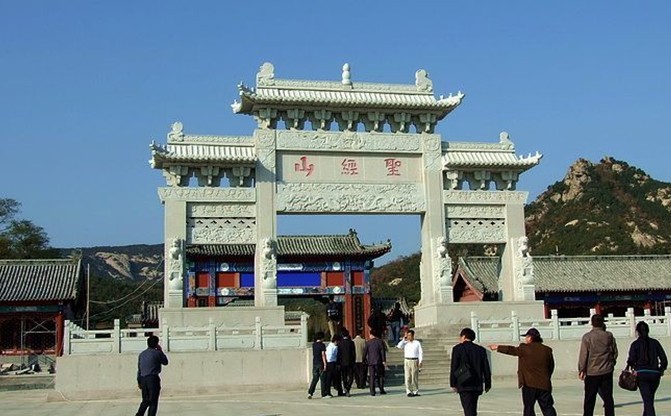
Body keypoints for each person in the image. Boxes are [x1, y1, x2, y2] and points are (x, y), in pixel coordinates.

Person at [489, 328, 557, 416]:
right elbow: (551, 366)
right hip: (544, 384)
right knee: (547, 408)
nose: (525, 339)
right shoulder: (547, 350)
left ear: (530, 338)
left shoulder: (524, 348)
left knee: (529, 408)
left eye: (526, 337)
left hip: (529, 384)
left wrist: (497, 347)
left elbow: (512, 350)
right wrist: (546, 377)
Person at [577, 314, 617, 416]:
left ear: (592, 323)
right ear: (602, 322)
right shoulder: (608, 336)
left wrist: (581, 369)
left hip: (592, 372)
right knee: (608, 398)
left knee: (589, 399)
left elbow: (583, 355)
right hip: (607, 371)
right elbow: (614, 352)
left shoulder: (587, 337)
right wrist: (611, 363)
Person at [627, 321, 668, 416]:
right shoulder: (655, 343)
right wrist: (661, 369)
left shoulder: (635, 344)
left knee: (648, 401)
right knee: (649, 400)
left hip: (642, 374)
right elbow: (664, 359)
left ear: (637, 332)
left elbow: (631, 360)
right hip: (655, 374)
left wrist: (632, 368)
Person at [450, 327, 491, 416]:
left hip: (464, 383)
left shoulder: (457, 349)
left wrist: (453, 383)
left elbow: (454, 366)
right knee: (472, 408)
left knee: (468, 410)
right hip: (477, 384)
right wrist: (488, 384)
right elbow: (486, 368)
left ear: (464, 336)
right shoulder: (480, 350)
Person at [135, 335, 168, 416]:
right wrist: (160, 351)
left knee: (145, 400)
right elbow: (165, 362)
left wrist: (139, 381)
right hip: (152, 379)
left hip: (143, 379)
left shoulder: (142, 354)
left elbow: (139, 369)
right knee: (153, 402)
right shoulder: (157, 353)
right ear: (156, 344)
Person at [396, 329, 423, 397]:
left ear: (413, 336)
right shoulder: (405, 343)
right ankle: (408, 391)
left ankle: (415, 391)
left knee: (414, 377)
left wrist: (420, 361)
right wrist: (404, 339)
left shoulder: (417, 343)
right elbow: (399, 346)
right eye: (408, 335)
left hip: (414, 360)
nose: (408, 337)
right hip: (407, 360)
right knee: (407, 377)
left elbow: (420, 352)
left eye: (410, 335)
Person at [364, 329, 387, 396]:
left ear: (371, 334)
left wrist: (364, 359)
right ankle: (381, 389)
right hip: (379, 361)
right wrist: (384, 360)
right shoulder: (380, 341)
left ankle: (372, 391)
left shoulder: (368, 342)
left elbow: (365, 352)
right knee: (380, 376)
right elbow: (382, 352)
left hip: (371, 362)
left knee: (372, 377)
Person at [307, 331, 327, 399]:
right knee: (322, 379)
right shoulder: (322, 345)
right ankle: (323, 394)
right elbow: (323, 355)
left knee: (315, 379)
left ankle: (310, 392)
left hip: (315, 363)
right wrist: (325, 364)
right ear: (321, 338)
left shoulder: (314, 345)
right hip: (321, 363)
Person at [339, 328, 356, 396]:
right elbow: (353, 353)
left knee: (344, 377)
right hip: (350, 362)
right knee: (351, 377)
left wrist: (339, 362)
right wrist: (354, 361)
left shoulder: (340, 343)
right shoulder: (351, 343)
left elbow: (339, 354)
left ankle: (345, 388)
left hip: (342, 363)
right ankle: (348, 388)